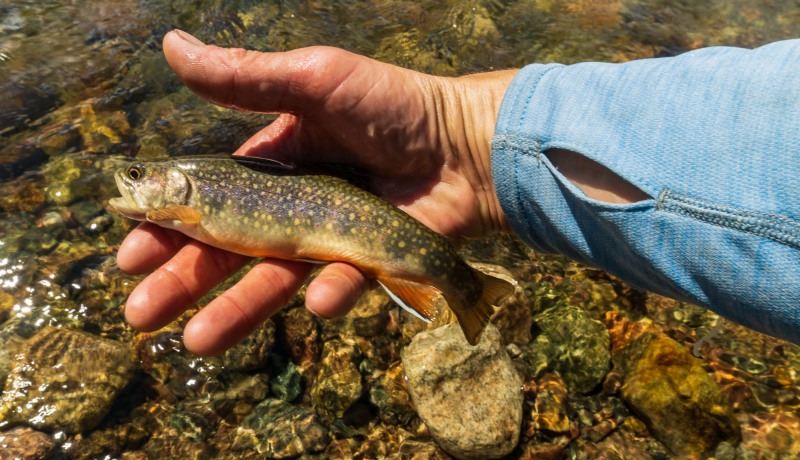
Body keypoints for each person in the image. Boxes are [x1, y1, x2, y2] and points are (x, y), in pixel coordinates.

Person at [117, 30, 800, 356]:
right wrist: (467, 136)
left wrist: (465, 136)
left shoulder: (199, 194)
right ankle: (462, 287)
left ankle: (464, 286)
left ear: (176, 184)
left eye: (143, 178)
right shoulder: (200, 195)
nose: (136, 185)